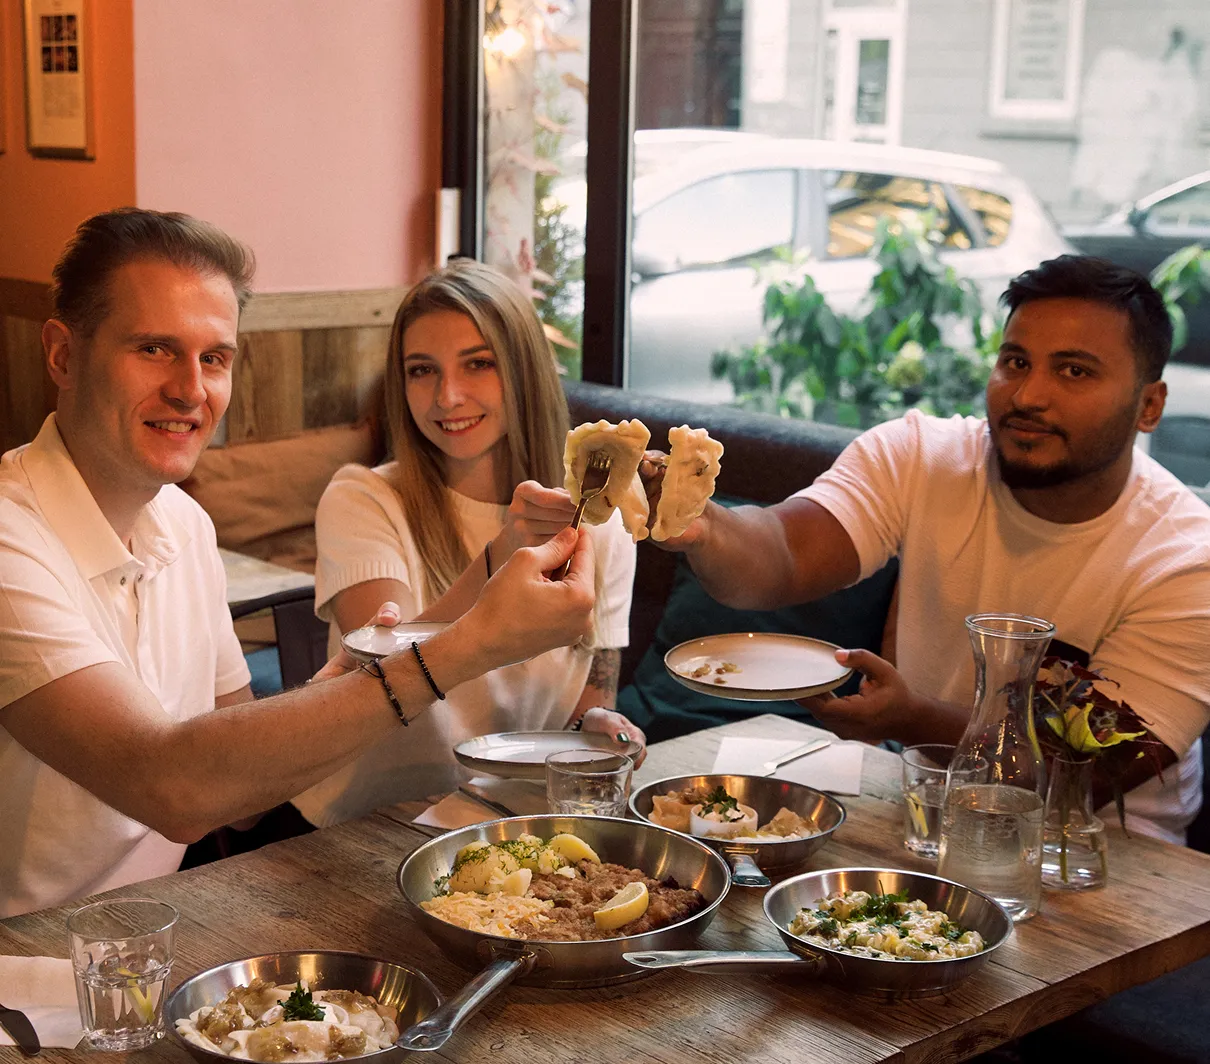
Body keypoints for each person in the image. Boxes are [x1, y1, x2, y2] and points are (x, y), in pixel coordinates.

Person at [0, 209, 598, 918]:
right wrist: (470, 646)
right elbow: (174, 787)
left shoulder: (185, 525)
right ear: (64, 356)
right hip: (24, 961)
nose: (191, 390)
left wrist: (344, 684)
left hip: (155, 929)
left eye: (214, 357)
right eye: (155, 349)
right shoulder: (12, 537)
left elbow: (242, 794)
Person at [644, 255, 1210, 844]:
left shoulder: (1189, 560)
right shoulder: (918, 456)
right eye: (1015, 362)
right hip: (922, 807)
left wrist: (911, 718)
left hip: (1099, 852)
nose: (1030, 395)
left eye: (1074, 372)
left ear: (1150, 405)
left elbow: (1085, 777)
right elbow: (781, 556)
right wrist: (703, 525)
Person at [291, 259, 643, 826]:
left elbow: (588, 698)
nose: (447, 396)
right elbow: (384, 683)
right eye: (421, 370)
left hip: (507, 823)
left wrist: (595, 729)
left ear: (524, 370)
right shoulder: (362, 498)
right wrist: (501, 556)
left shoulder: (599, 516)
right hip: (362, 824)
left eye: (478, 364)